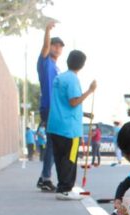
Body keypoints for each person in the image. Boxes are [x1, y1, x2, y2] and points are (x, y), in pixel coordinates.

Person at [46, 49, 96, 201]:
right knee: (70, 159)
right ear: (82, 65)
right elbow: (73, 101)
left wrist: (85, 114)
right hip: (70, 129)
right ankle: (65, 189)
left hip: (55, 125)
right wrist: (90, 91)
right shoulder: (73, 79)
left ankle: (62, 187)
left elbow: (63, 104)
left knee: (60, 158)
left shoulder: (59, 78)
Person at [36, 20, 63, 192]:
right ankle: (45, 178)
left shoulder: (57, 68)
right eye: (55, 45)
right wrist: (47, 31)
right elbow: (45, 48)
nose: (57, 48)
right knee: (54, 144)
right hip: (48, 108)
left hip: (55, 110)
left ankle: (44, 177)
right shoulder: (44, 62)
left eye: (60, 47)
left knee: (54, 144)